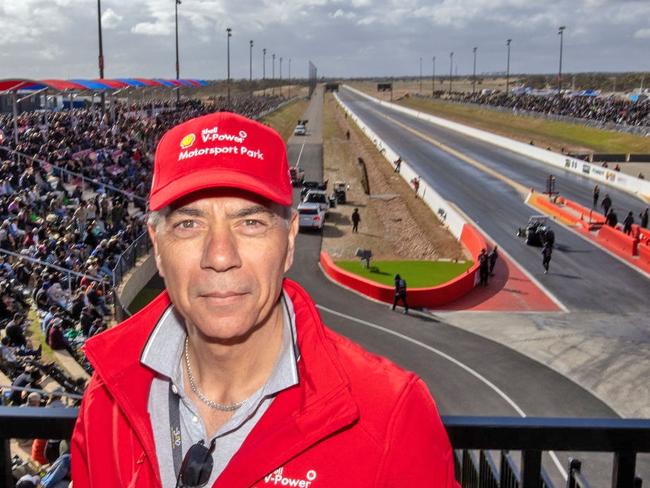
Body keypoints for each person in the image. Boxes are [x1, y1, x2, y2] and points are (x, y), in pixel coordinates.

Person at [71, 112, 457, 487]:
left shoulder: (390, 415)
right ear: (157, 247)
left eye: (250, 223)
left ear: (289, 241)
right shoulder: (106, 398)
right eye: (189, 224)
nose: (220, 255)